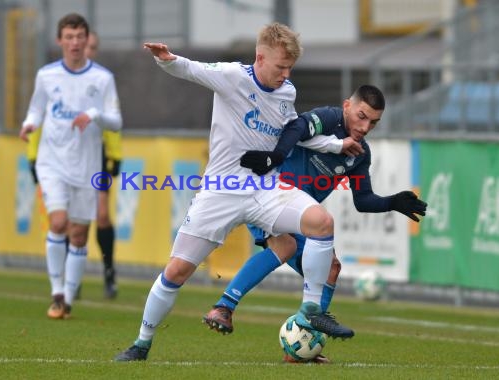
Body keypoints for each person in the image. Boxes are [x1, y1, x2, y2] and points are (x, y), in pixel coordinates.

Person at [114, 22, 364, 362]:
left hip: (265, 188)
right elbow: (191, 69)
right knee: (176, 272)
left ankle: (310, 309)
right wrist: (167, 59)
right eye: (280, 67)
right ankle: (141, 344)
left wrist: (337, 144)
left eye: (290, 67)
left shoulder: (286, 92)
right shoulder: (233, 76)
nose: (286, 74)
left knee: (321, 222)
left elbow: (296, 132)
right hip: (222, 189)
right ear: (260, 57)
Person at [203, 85, 428, 363]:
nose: (366, 126)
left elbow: (363, 200)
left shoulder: (359, 154)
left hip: (303, 217)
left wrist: (392, 202)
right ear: (347, 106)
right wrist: (277, 156)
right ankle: (224, 307)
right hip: (268, 196)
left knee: (331, 268)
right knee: (283, 247)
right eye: (361, 116)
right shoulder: (327, 119)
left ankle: (302, 344)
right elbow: (296, 128)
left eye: (373, 122)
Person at [19, 13, 122, 319]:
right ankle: (56, 292)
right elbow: (37, 109)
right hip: (52, 163)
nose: (75, 43)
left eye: (80, 37)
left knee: (79, 235)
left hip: (87, 167)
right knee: (59, 222)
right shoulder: (47, 76)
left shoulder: (102, 79)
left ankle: (68, 300)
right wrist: (28, 124)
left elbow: (115, 121)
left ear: (87, 40)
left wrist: (94, 114)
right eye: (69, 37)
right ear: (59, 41)